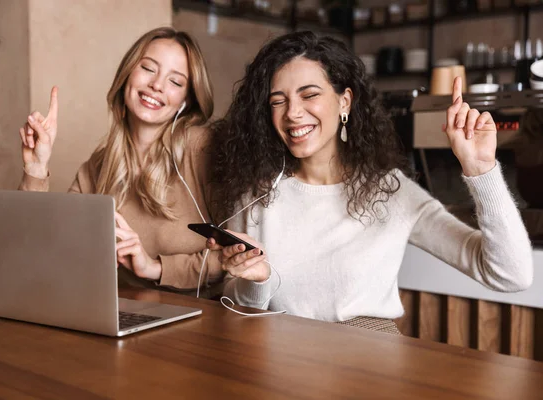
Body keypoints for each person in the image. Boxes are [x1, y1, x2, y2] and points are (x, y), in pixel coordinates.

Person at [207, 31, 533, 330]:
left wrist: (482, 170)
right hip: (278, 365)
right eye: (278, 101)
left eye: (309, 95)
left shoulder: (390, 192)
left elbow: (510, 275)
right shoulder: (257, 195)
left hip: (368, 364)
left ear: (344, 101)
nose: (292, 112)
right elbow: (239, 306)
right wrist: (257, 281)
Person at [18, 27, 223, 296]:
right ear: (128, 75)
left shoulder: (203, 148)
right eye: (149, 68)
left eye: (176, 82)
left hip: (201, 322)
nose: (157, 85)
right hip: (122, 317)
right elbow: (43, 250)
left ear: (187, 101)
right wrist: (36, 166)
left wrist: (154, 268)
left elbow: (236, 255)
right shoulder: (98, 165)